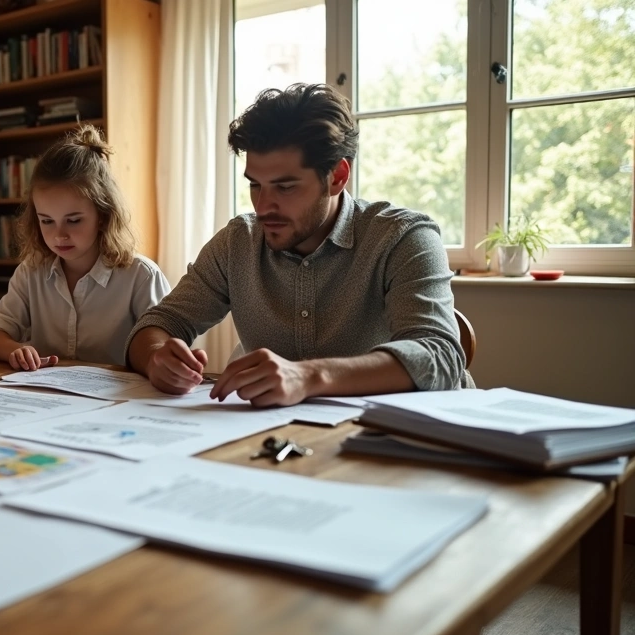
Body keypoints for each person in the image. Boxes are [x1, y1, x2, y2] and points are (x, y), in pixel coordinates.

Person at [127, 83, 467, 406]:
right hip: (287, 438)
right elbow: (158, 323)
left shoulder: (403, 237)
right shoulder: (238, 242)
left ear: (337, 177)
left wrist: (308, 376)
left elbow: (440, 355)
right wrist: (158, 357)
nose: (263, 207)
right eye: (255, 185)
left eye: (285, 187)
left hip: (398, 441)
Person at [0, 125, 171, 370]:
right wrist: (15, 349)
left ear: (102, 215)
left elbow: (165, 350)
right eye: (47, 221)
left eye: (74, 220)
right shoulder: (32, 272)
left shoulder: (141, 276)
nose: (59, 235)